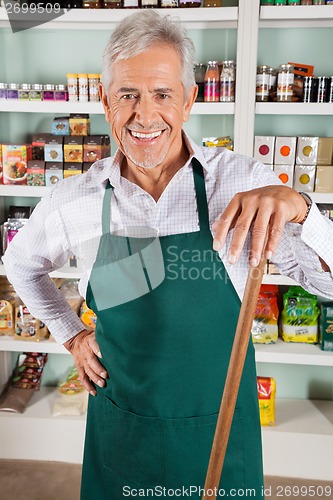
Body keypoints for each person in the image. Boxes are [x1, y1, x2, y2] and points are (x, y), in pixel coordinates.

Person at [3, 10, 333, 500]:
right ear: (104, 100)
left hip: (220, 433)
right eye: (127, 95)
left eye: (162, 94)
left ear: (190, 99)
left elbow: (326, 284)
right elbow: (20, 265)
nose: (144, 115)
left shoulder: (243, 183)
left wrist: (304, 208)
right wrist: (71, 335)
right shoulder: (73, 199)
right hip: (123, 431)